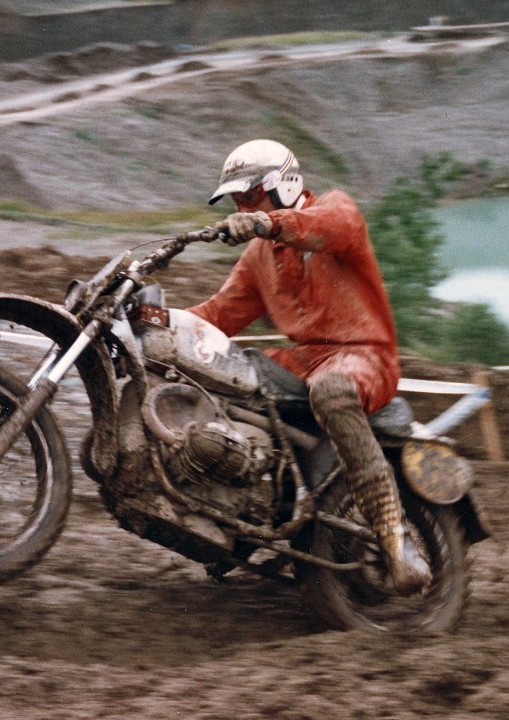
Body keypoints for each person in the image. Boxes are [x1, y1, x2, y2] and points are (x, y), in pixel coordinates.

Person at [188, 139, 431, 595]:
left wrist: (266, 221)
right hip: (304, 362)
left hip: (364, 356)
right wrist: (153, 319)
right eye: (237, 200)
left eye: (248, 194)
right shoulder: (260, 256)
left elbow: (329, 227)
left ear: (281, 184)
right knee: (219, 372)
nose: (242, 206)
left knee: (331, 391)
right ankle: (241, 516)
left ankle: (396, 540)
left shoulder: (336, 212)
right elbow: (218, 315)